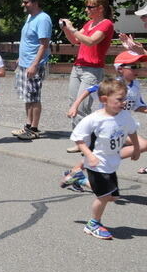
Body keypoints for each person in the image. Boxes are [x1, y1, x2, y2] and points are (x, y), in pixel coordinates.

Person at [61, 50, 147, 189]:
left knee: (140, 146)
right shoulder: (113, 85)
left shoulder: (135, 85)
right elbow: (89, 89)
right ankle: (77, 173)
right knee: (108, 158)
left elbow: (138, 106)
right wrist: (75, 106)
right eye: (134, 67)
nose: (139, 69)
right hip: (107, 126)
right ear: (120, 69)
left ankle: (75, 173)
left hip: (123, 125)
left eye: (139, 66)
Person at [69, 78, 139, 240]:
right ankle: (93, 224)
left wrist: (136, 148)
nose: (124, 102)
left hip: (111, 164)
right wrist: (90, 156)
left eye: (125, 98)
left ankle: (78, 180)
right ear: (104, 100)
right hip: (97, 163)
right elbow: (78, 139)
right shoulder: (94, 119)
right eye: (119, 99)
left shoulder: (124, 116)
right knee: (104, 197)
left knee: (113, 197)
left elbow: (132, 131)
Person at [59, 0, 115, 153]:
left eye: (90, 7)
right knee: (73, 104)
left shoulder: (106, 24)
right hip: (78, 67)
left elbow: (90, 41)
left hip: (92, 69)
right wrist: (66, 30)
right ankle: (81, 140)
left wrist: (73, 29)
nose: (86, 10)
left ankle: (85, 142)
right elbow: (75, 41)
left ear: (100, 8)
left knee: (82, 106)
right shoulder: (90, 23)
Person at [12, 0, 51, 140]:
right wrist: (20, 58)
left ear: (35, 3)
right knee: (27, 96)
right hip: (25, 62)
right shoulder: (30, 16)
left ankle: (34, 129)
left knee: (34, 97)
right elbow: (28, 41)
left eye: (26, 2)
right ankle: (27, 126)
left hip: (34, 64)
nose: (23, 4)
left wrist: (34, 65)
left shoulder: (43, 19)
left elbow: (44, 44)